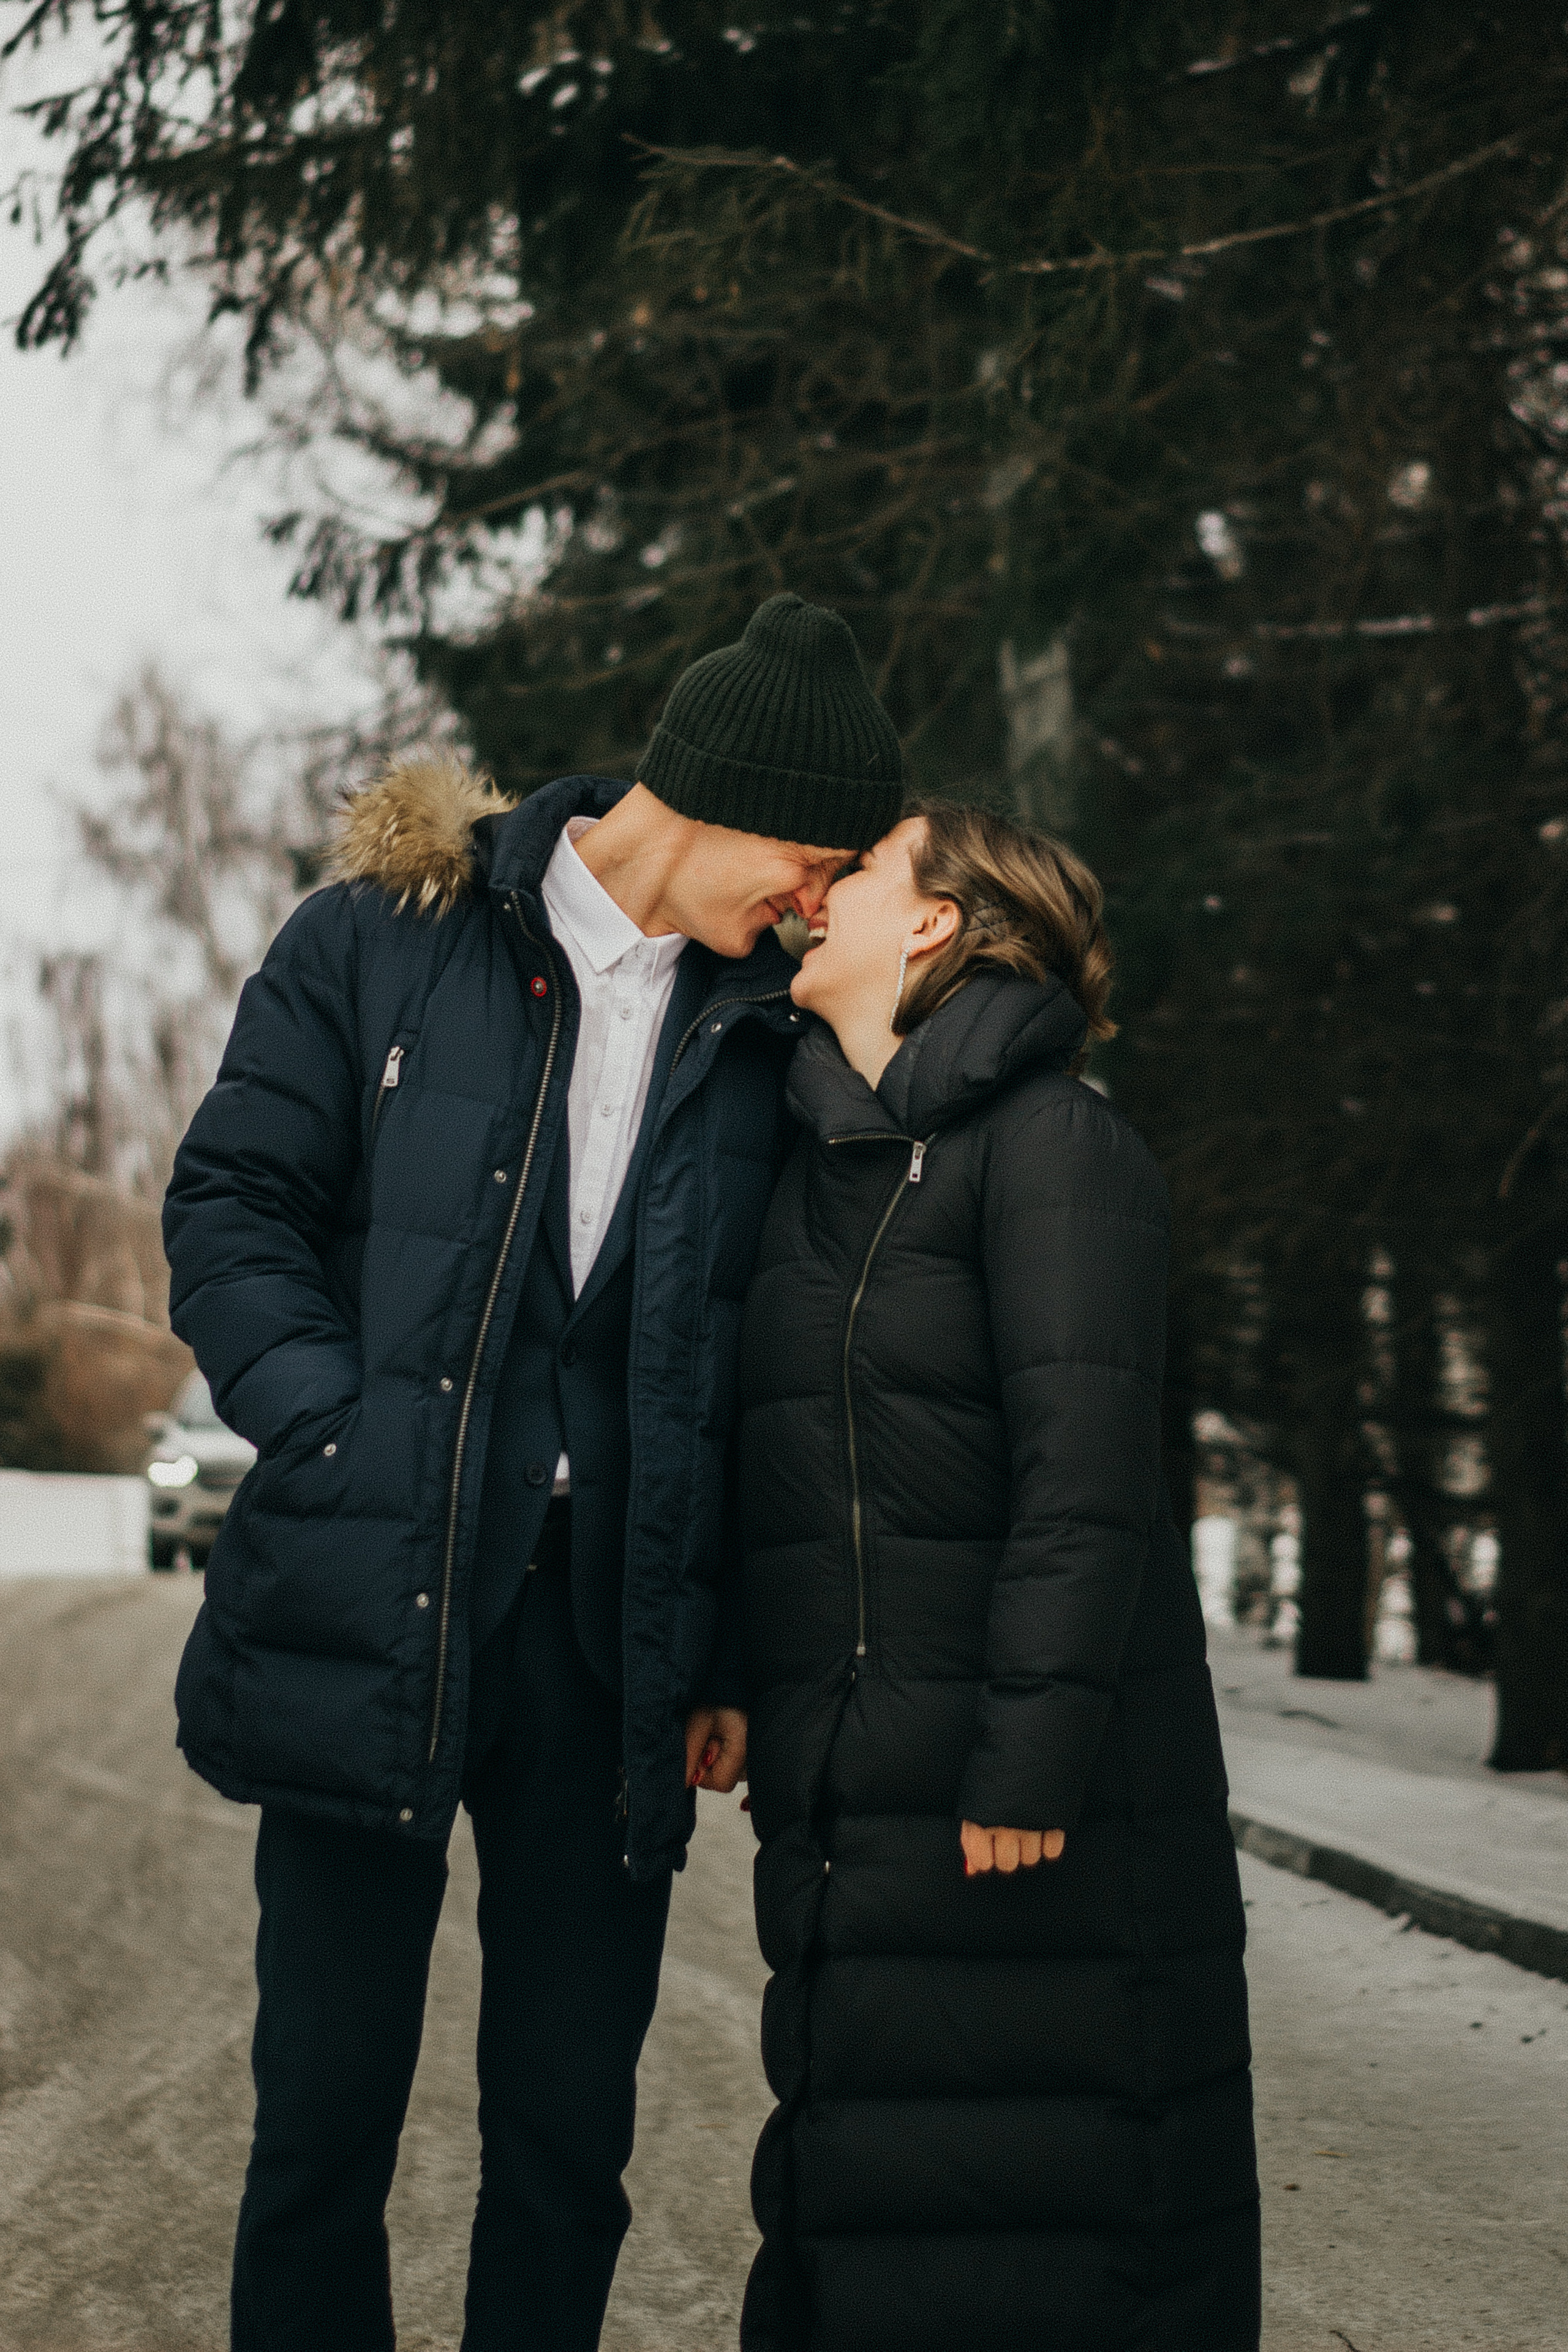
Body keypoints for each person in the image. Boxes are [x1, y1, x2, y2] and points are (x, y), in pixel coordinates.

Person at [161, 592, 906, 2352]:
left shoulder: (764, 1039)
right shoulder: (376, 943)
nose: (817, 902)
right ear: (715, 792)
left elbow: (756, 1362)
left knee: (571, 2140)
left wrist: (717, 1650)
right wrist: (331, 1422)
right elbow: (230, 1204)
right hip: (376, 1595)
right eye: (812, 856)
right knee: (323, 2121)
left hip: (609, 1648)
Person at [734, 801, 1262, 2351]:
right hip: (859, 1797)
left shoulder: (1056, 1146)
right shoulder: (824, 1161)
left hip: (1021, 1806)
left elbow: (1084, 1479)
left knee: (1059, 2199)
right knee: (879, 2194)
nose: (813, 895)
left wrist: (1023, 1763)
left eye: (861, 873)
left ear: (936, 926)